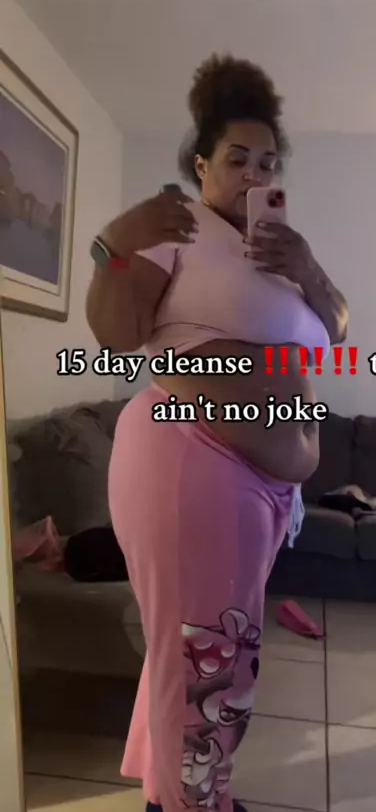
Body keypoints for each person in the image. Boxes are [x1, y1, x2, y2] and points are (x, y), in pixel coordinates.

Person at [86, 53, 348, 812]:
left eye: (267, 162)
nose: (254, 174)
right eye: (238, 159)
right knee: (210, 662)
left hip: (258, 486)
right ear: (201, 164)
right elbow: (115, 335)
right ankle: (192, 805)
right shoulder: (177, 228)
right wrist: (112, 247)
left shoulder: (280, 252)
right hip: (192, 457)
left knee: (208, 654)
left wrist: (308, 268)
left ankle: (179, 795)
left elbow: (336, 328)